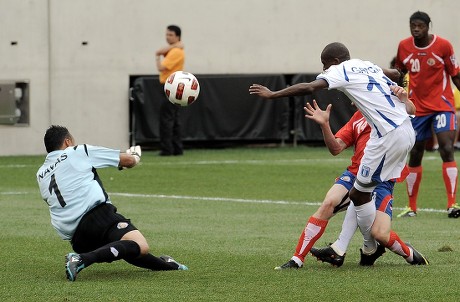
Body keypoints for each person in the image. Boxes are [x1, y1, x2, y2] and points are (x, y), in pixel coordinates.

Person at [250, 42, 415, 263]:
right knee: (354, 194)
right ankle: (320, 253)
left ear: (335, 62)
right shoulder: (365, 65)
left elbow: (309, 87)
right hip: (402, 129)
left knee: (364, 201)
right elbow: (393, 72)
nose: (324, 70)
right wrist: (399, 78)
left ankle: (369, 246)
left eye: (325, 65)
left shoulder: (340, 70)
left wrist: (273, 95)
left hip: (389, 135)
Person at [273, 99, 427, 269]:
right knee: (329, 203)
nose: (353, 99)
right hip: (355, 173)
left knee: (380, 234)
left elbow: (411, 110)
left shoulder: (390, 110)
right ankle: (297, 259)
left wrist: (404, 97)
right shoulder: (357, 117)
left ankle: (409, 254)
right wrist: (324, 124)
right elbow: (335, 148)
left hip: (382, 180)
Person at [36, 125, 188, 282]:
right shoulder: (76, 151)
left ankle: (167, 265)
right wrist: (134, 155)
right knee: (140, 245)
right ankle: (82, 259)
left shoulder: (41, 173)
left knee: (125, 246)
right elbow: (128, 161)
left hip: (77, 238)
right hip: (97, 217)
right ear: (67, 142)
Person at [395, 11, 460, 218]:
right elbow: (400, 74)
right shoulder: (404, 46)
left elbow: (455, 74)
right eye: (413, 25)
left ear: (428, 26)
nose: (416, 29)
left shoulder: (444, 46)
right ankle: (411, 207)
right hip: (417, 108)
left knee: (447, 148)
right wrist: (398, 96)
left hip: (442, 104)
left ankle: (452, 204)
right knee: (415, 152)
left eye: (420, 26)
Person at [156, 25, 185, 156]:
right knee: (174, 118)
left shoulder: (176, 52)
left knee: (167, 119)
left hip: (170, 86)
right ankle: (177, 148)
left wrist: (157, 56)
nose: (167, 37)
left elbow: (161, 67)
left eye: (171, 35)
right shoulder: (175, 49)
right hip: (174, 86)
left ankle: (167, 149)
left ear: (177, 36)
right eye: (167, 34)